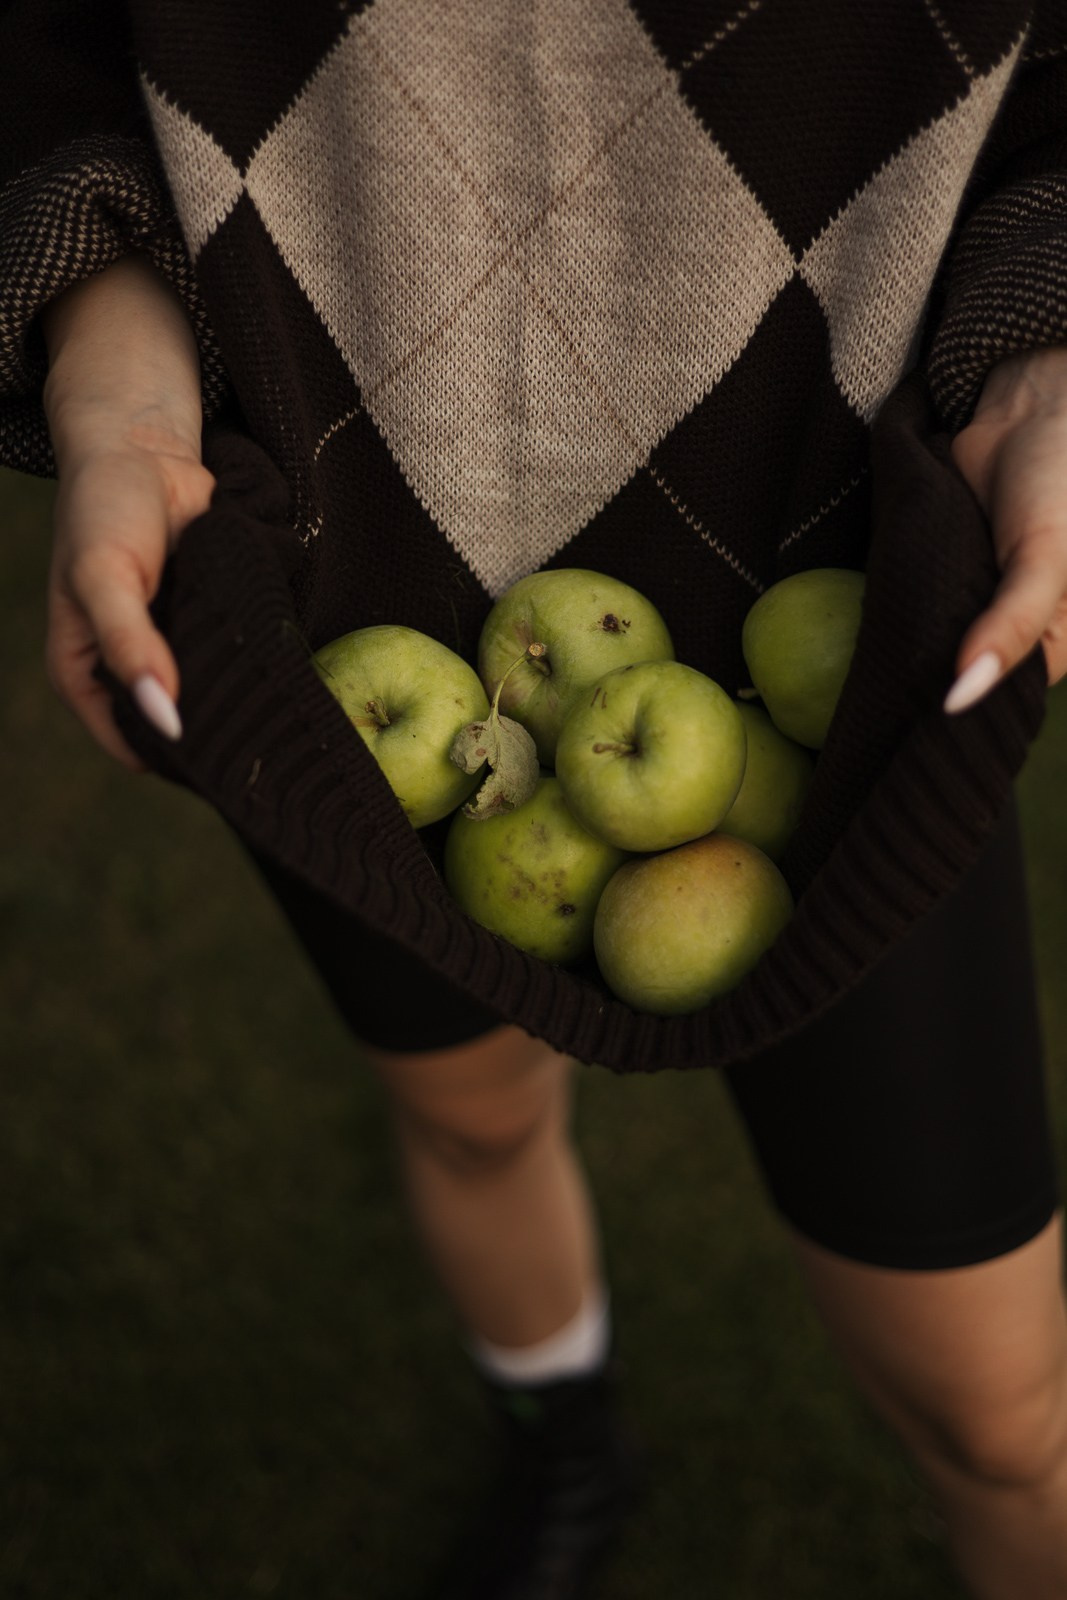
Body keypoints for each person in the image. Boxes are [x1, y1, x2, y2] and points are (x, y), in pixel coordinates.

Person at [5, 5, 1067, 1597]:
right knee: (467, 1117)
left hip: (845, 637)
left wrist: (1049, 364)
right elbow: (60, 45)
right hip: (354, 606)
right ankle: (565, 1427)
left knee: (999, 1410)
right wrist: (122, 395)